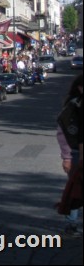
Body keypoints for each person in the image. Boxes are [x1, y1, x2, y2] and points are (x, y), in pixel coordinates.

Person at [56, 73, 83, 237]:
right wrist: (66, 157)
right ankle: (71, 224)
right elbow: (63, 133)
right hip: (75, 154)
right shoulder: (73, 108)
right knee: (76, 190)